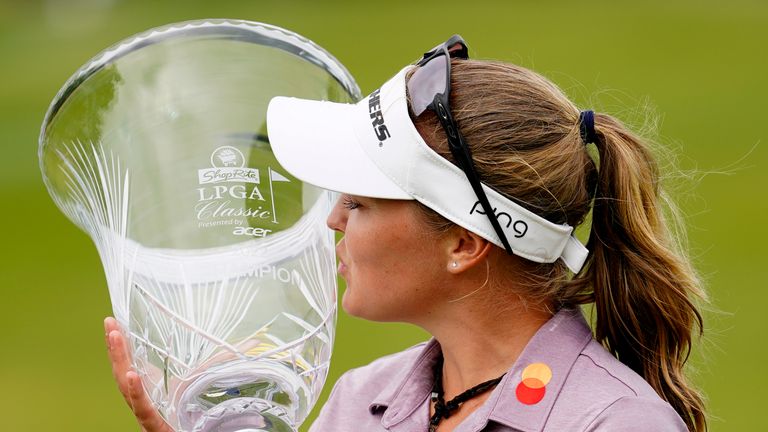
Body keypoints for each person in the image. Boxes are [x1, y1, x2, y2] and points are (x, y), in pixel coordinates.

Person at [104, 35, 707, 431]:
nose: (333, 219)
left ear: (463, 245)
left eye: (360, 203)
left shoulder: (617, 422)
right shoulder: (359, 400)